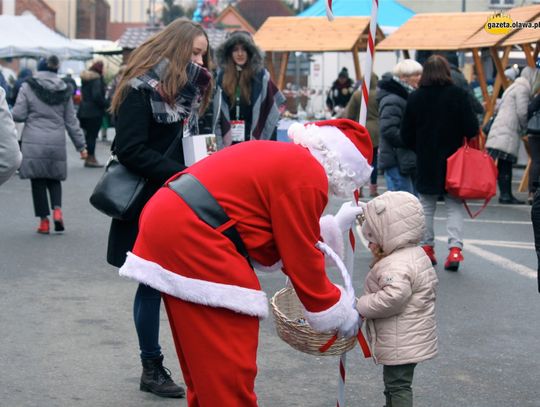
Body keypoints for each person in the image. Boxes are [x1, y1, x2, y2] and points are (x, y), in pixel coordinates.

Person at [118, 118, 373, 406]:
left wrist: (333, 227)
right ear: (346, 169)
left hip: (175, 221)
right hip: (195, 233)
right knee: (229, 367)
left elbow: (273, 227)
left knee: (205, 370)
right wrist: (337, 311)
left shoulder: (287, 157)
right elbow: (299, 253)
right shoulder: (307, 174)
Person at [106, 18, 213, 399]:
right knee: (152, 286)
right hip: (149, 202)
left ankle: (193, 362)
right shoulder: (139, 89)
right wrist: (180, 172)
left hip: (183, 199)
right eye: (195, 52)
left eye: (204, 53)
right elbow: (129, 149)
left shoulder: (193, 91)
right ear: (176, 49)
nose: (201, 60)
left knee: (185, 284)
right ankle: (151, 366)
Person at [356, 191, 438, 407]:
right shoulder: (415, 254)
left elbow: (393, 298)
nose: (369, 245)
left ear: (388, 234)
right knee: (395, 383)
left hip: (402, 338)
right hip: (409, 334)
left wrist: (361, 305)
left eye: (372, 238)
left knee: (398, 384)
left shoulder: (395, 264)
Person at [401, 55, 479, 271]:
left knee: (427, 205)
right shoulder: (458, 95)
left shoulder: (416, 97)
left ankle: (427, 248)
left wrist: (419, 146)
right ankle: (455, 250)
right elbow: (472, 128)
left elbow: (405, 133)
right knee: (454, 205)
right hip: (454, 161)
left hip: (426, 160)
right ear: (447, 72)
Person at [11, 55, 87, 234]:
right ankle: (58, 211)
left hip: (33, 140)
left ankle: (44, 222)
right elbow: (71, 121)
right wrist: (81, 147)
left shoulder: (28, 86)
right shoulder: (65, 89)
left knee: (37, 181)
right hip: (56, 140)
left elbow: (19, 114)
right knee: (54, 179)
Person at [213, 31, 285, 148]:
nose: (240, 53)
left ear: (251, 52)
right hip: (226, 142)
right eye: (235, 49)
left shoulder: (261, 77)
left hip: (252, 141)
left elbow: (275, 108)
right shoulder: (220, 77)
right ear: (229, 52)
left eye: (244, 49)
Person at [485, 66, 539, 205]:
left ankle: (505, 194)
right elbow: (522, 112)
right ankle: (506, 195)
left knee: (503, 163)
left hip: (502, 127)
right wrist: (525, 127)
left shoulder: (513, 86)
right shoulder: (523, 88)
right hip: (509, 129)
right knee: (506, 164)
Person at [377, 59, 422, 195]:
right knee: (404, 206)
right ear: (404, 77)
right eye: (416, 74)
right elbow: (388, 129)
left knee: (409, 204)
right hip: (396, 159)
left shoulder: (404, 96)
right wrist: (410, 139)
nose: (420, 78)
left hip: (403, 158)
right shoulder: (394, 99)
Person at [341, 72, 380, 197]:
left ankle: (360, 189)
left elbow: (349, 114)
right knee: (374, 161)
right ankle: (373, 188)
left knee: (361, 160)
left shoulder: (358, 95)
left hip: (361, 130)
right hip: (377, 130)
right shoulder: (379, 95)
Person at [78, 60, 106, 167]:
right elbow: (97, 96)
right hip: (94, 112)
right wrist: (106, 104)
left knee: (88, 135)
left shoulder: (85, 79)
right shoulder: (96, 80)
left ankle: (89, 157)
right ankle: (91, 158)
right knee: (92, 136)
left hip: (83, 111)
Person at [0, 87, 22, 186]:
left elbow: (18, 113)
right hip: (57, 139)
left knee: (38, 184)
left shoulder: (27, 88)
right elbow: (10, 159)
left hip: (33, 134)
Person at [527, 86, 540, 205]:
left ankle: (532, 191)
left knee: (535, 161)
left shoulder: (538, 96)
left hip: (534, 132)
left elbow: (530, 108)